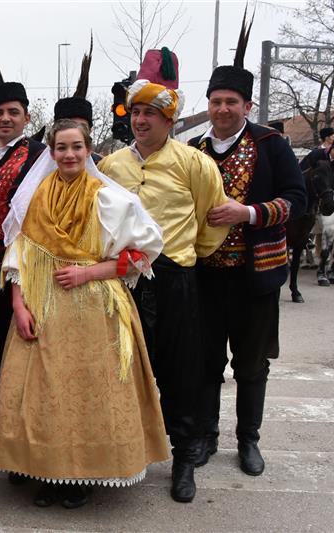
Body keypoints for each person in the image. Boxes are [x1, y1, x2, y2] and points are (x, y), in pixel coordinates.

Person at [0, 119, 167, 509]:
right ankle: (46, 471)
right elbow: (19, 255)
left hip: (96, 308)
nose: (68, 155)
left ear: (88, 150)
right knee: (45, 393)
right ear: (51, 153)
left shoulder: (111, 199)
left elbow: (145, 253)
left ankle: (80, 476)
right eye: (61, 148)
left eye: (76, 147)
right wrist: (18, 304)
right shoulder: (35, 199)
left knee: (87, 392)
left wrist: (89, 272)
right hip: (43, 303)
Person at [97, 50, 229, 503]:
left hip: (175, 280)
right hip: (125, 281)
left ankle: (185, 459)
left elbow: (214, 219)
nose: (140, 120)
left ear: (169, 118)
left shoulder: (195, 164)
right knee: (123, 371)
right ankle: (123, 457)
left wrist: (187, 257)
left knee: (181, 371)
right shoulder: (112, 167)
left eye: (150, 112)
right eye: (135, 111)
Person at [189, 19, 306, 481]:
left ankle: (248, 441)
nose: (222, 109)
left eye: (230, 102)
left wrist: (250, 213)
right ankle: (206, 435)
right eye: (216, 101)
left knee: (252, 364)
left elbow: (298, 200)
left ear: (246, 105)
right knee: (205, 363)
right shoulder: (194, 149)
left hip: (256, 277)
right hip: (205, 276)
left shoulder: (271, 144)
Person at [0, 37, 46, 399]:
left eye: (13, 112)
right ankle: (8, 437)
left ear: (26, 117)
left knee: (29, 352)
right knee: (0, 357)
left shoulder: (41, 157)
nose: (6, 118)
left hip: (27, 271)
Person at [54, 38, 102, 163]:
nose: (75, 131)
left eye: (82, 127)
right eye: (69, 125)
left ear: (90, 131)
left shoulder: (102, 167)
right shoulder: (38, 174)